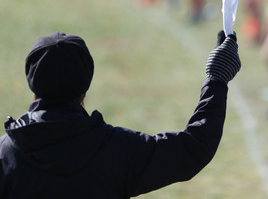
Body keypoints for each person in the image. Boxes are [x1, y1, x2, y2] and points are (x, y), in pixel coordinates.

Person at [0, 30, 241, 198]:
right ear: (84, 89)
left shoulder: (5, 153)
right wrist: (216, 80)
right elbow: (193, 149)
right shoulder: (117, 149)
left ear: (33, 87)